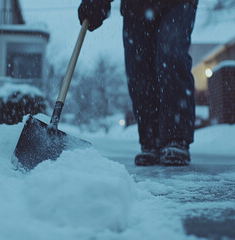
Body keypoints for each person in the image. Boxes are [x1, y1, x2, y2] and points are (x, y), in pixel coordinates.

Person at [78, 0, 198, 166]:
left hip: (177, 3)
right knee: (139, 72)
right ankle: (151, 140)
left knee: (171, 57)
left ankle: (176, 138)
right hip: (135, 6)